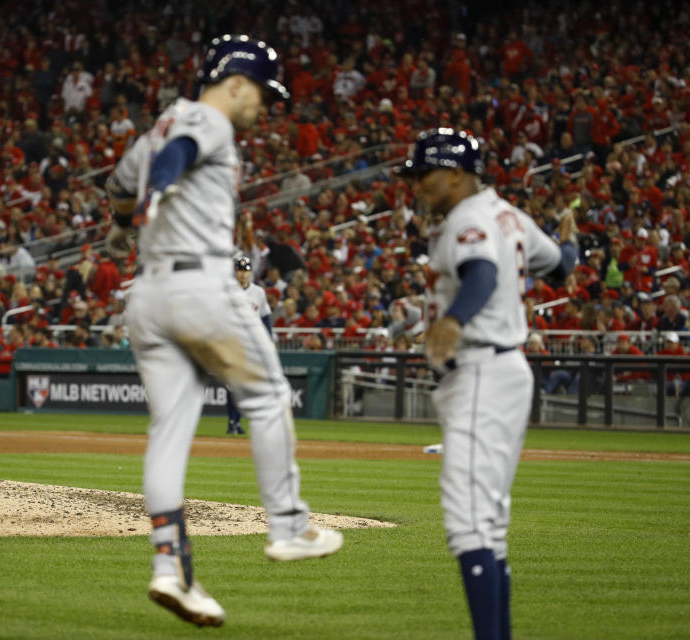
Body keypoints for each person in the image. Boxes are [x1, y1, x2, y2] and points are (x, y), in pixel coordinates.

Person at [105, 34, 343, 628]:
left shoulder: (156, 125)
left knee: (170, 427)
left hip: (148, 297)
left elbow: (116, 188)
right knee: (264, 395)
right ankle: (288, 526)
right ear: (235, 83)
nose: (263, 105)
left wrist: (132, 216)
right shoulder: (206, 118)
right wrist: (160, 188)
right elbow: (178, 154)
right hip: (200, 288)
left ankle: (170, 569)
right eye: (261, 91)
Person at [399, 129, 576, 640]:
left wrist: (453, 320)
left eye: (424, 174)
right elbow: (562, 265)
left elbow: (479, 273)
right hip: (504, 369)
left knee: (469, 523)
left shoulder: (469, 217)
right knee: (489, 528)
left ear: (457, 173)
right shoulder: (509, 215)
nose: (417, 186)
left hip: (480, 369)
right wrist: (569, 238)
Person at [225, 255, 273, 435]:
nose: (243, 274)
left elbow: (265, 318)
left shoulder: (258, 292)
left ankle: (236, 422)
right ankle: (233, 422)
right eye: (239, 270)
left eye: (245, 270)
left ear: (251, 272)